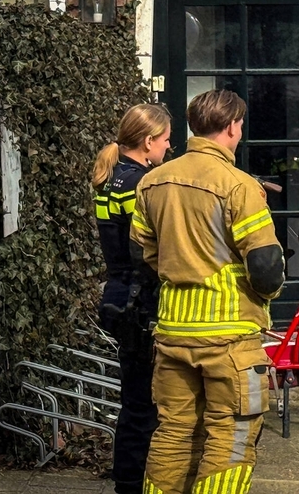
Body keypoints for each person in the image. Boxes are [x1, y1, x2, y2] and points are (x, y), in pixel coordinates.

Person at [130, 90, 284, 494]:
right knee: (231, 437)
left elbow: (142, 252)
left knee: (173, 433)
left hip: (173, 333)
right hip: (229, 341)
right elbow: (266, 267)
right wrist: (262, 298)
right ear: (233, 127)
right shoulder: (239, 185)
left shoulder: (151, 182)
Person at [92, 103, 171, 494]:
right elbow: (151, 249)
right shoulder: (141, 185)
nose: (169, 148)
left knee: (134, 402)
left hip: (119, 294)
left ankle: (126, 478)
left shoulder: (111, 178)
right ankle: (132, 483)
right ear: (148, 141)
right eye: (167, 140)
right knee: (144, 406)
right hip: (142, 303)